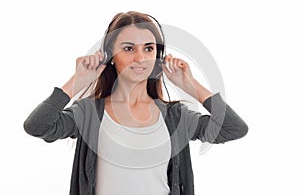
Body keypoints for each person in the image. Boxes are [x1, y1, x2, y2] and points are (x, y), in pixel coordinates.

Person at [23, 11, 248, 195]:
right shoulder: (89, 112)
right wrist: (76, 82)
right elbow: (37, 126)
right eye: (129, 48)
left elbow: (233, 129)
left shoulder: (175, 116)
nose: (140, 58)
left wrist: (191, 86)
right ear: (110, 56)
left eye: (148, 48)